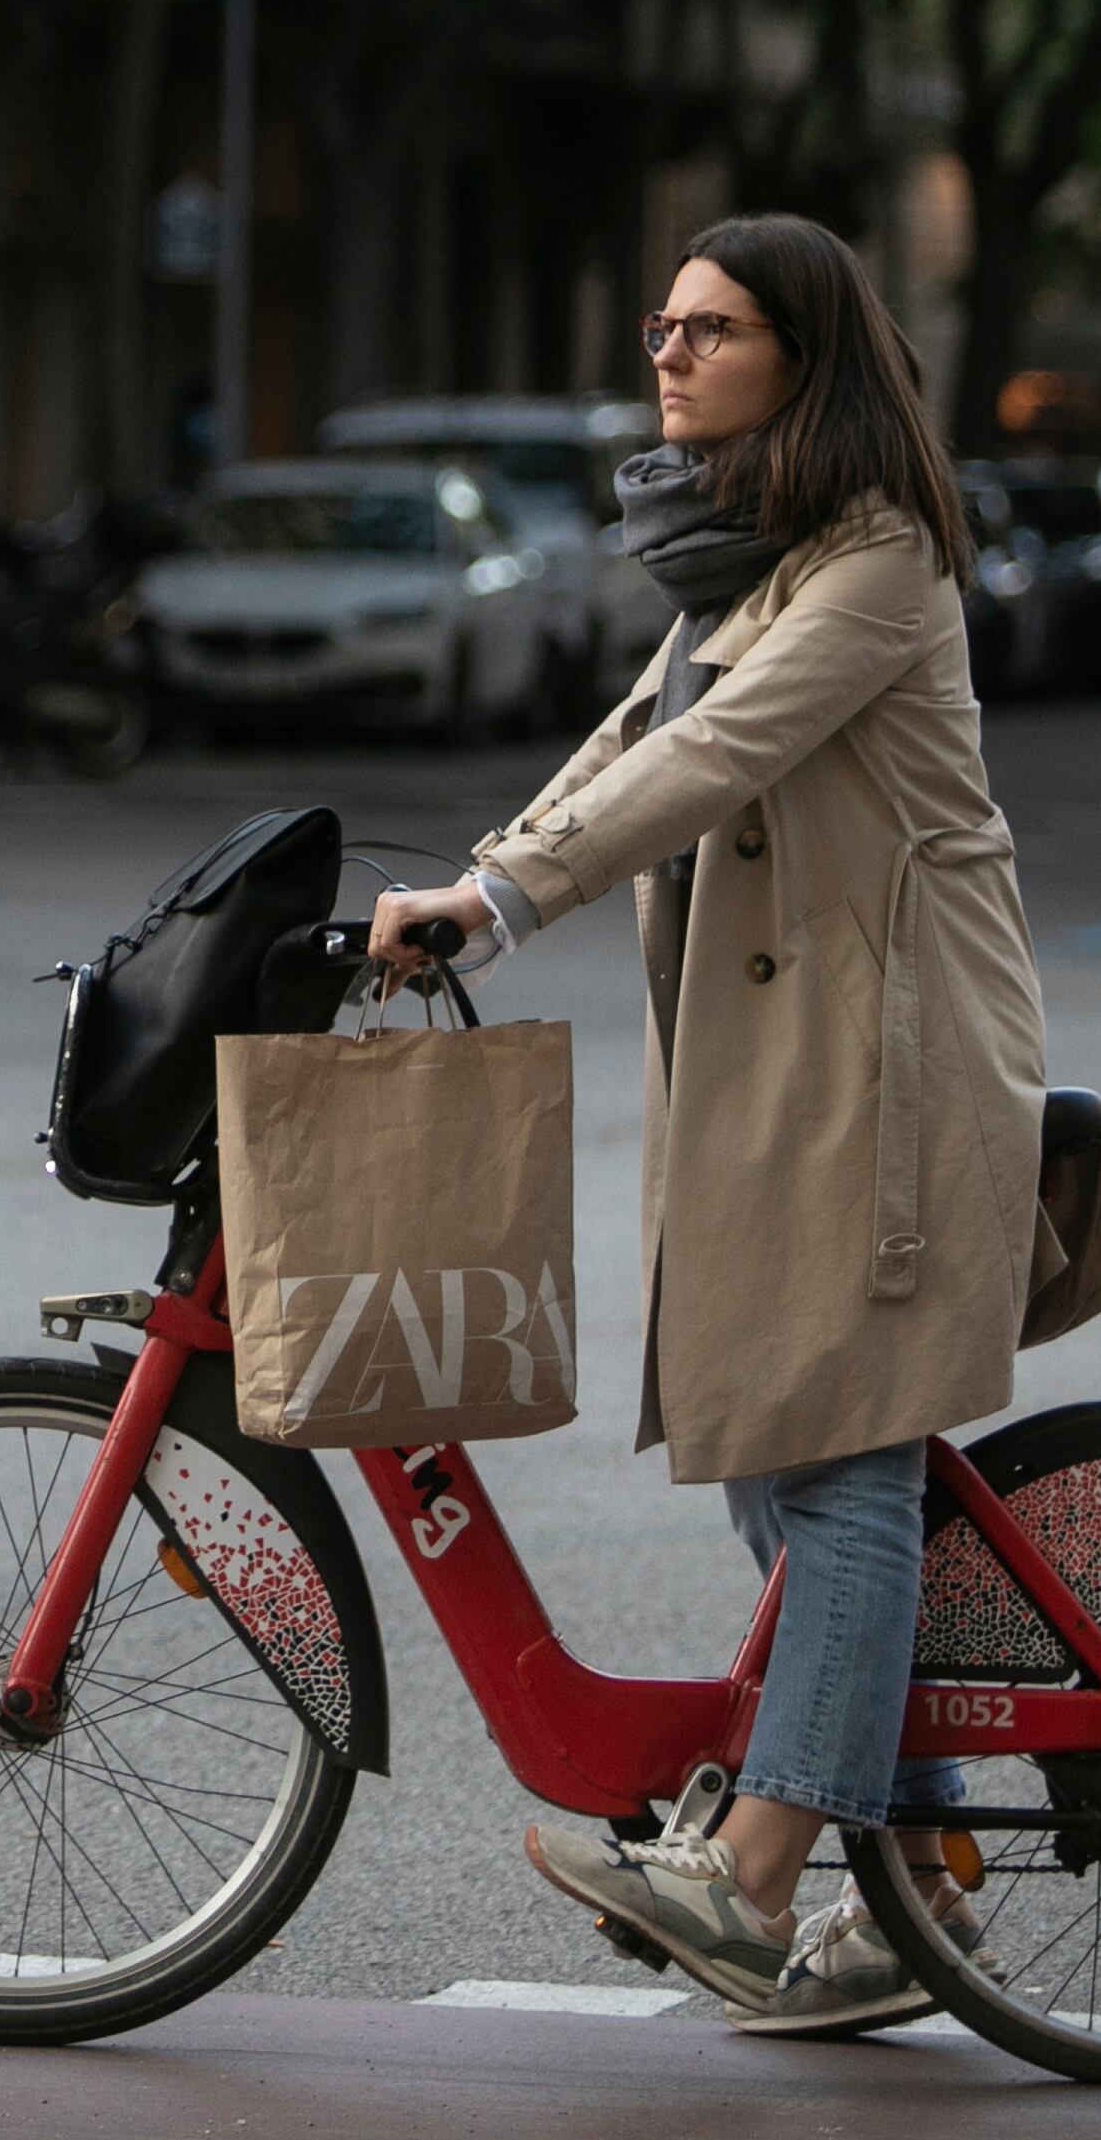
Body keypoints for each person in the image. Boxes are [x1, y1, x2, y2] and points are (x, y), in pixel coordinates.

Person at [365, 212, 1050, 2034]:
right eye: (660, 324)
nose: (666, 355)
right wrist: (471, 875)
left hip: (891, 1078)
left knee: (838, 1471)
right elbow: (615, 743)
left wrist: (502, 903)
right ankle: (917, 1898)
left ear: (801, 358)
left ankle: (750, 1877)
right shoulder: (750, 569)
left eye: (710, 329)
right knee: (782, 1451)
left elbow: (709, 758)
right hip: (792, 1073)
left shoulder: (878, 565)